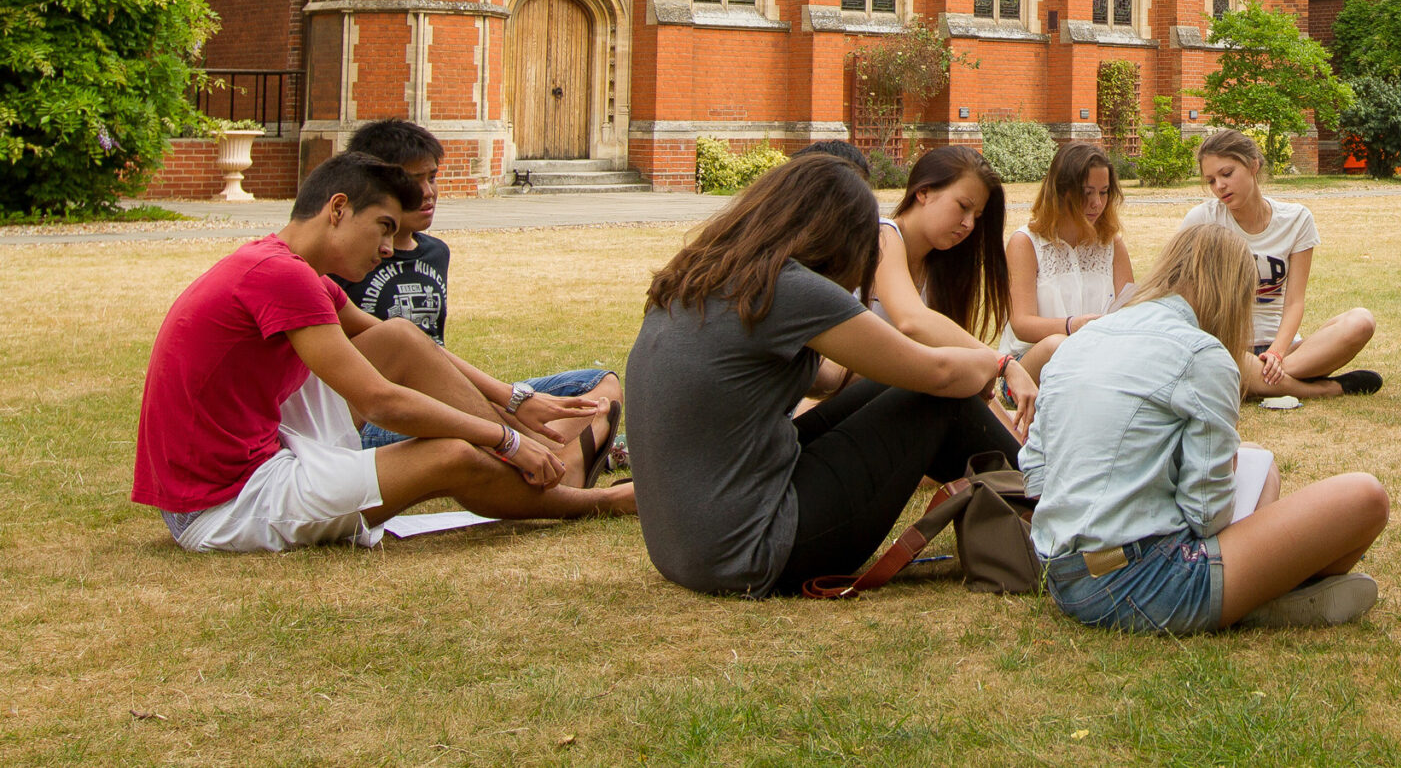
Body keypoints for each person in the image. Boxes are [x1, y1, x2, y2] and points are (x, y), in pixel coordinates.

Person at [133, 153, 632, 554]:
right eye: (384, 227)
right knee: (452, 454)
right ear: (338, 209)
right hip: (221, 506)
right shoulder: (280, 275)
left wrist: (515, 399)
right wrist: (504, 439)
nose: (390, 247)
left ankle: (543, 462)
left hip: (268, 449)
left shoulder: (288, 268)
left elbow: (409, 347)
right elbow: (379, 401)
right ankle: (594, 500)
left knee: (398, 337)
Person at [622, 155, 1018, 597]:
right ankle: (1049, 498)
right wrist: (1000, 365)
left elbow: (829, 381)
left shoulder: (709, 273)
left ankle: (1029, 494)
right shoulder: (788, 286)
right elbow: (940, 374)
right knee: (939, 400)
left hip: (690, 549)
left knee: (901, 382)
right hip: (753, 550)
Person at [1025, 223, 1392, 632]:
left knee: (1261, 461)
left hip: (1060, 572)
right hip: (1143, 580)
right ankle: (1258, 601)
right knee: (1365, 497)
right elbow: (1206, 514)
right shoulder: (1202, 353)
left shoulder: (1081, 341)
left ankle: (1254, 595)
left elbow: (1036, 475)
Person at [337, 120, 623, 481]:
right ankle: (562, 455)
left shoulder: (435, 253)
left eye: (433, 177)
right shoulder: (344, 262)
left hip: (452, 389)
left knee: (601, 387)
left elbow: (435, 350)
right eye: (413, 181)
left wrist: (501, 398)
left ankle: (556, 449)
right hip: (387, 414)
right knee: (468, 423)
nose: (427, 192)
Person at [849, 145, 1040, 434]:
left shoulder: (939, 267)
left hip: (902, 402)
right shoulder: (882, 236)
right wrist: (1004, 364)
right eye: (963, 206)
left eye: (976, 216)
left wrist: (1017, 444)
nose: (968, 224)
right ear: (923, 192)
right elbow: (911, 321)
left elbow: (965, 377)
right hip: (849, 406)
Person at [1182, 128, 1381, 400]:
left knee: (1361, 321)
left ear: (1254, 165)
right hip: (1228, 347)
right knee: (1221, 362)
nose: (1219, 186)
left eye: (1226, 174)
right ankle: (1326, 388)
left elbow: (1294, 302)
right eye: (1211, 180)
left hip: (1286, 351)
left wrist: (1277, 351)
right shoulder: (1202, 220)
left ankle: (1261, 381)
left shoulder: (1296, 219)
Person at [1001, 143, 1136, 375]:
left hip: (1097, 357)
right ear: (1062, 192)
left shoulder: (1112, 244)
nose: (1097, 203)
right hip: (1031, 364)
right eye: (1087, 193)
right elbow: (1021, 324)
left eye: (1104, 192)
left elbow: (1130, 311)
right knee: (1057, 346)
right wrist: (1072, 326)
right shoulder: (1026, 243)